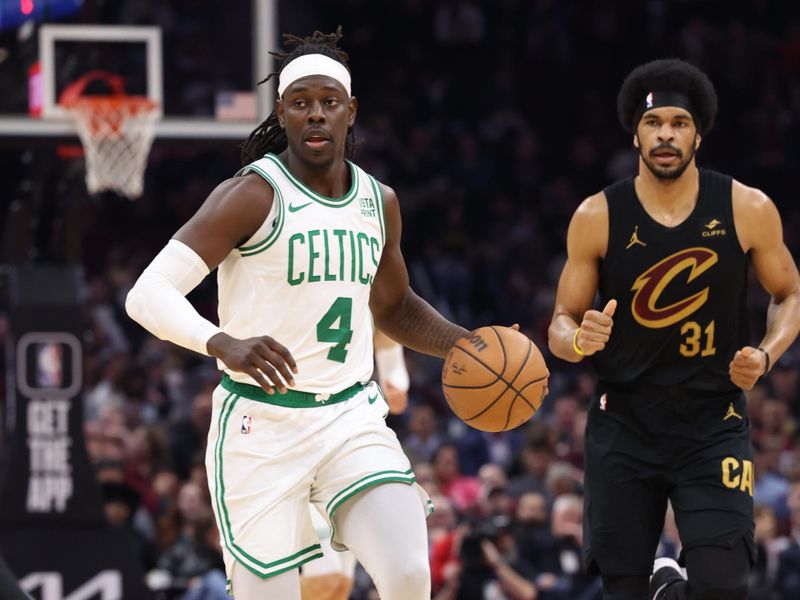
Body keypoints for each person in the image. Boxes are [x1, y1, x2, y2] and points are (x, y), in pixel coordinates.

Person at [125, 28, 478, 600]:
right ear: (282, 113)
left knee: (410, 572)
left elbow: (395, 307)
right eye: (301, 104)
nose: (316, 115)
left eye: (329, 103)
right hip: (260, 426)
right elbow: (148, 293)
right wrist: (223, 343)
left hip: (349, 418)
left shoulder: (378, 201)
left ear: (351, 111)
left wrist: (466, 343)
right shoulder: (251, 195)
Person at [548, 58, 800, 600]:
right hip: (625, 421)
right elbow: (559, 326)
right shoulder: (597, 215)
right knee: (622, 588)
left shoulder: (746, 207)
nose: (666, 133)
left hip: (713, 419)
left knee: (724, 587)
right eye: (653, 122)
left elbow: (790, 293)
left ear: (698, 134)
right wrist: (577, 339)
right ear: (635, 134)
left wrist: (767, 351)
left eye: (679, 123)